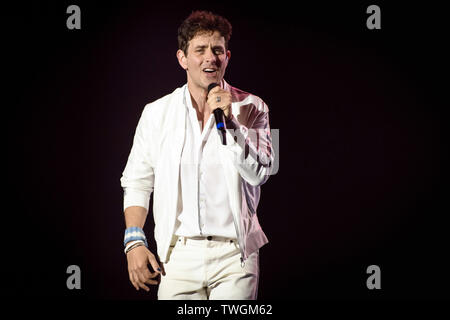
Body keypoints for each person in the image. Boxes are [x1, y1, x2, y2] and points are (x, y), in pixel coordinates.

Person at [120, 10, 274, 300]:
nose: (210, 58)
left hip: (235, 257)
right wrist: (134, 241)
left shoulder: (255, 107)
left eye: (217, 50)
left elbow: (263, 172)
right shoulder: (155, 113)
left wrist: (231, 125)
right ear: (182, 58)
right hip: (177, 258)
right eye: (200, 50)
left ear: (227, 57)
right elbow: (137, 182)